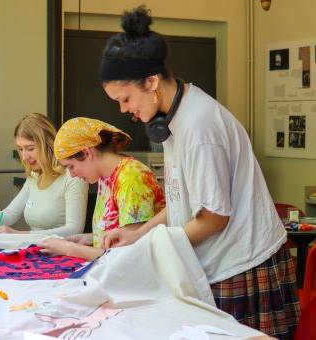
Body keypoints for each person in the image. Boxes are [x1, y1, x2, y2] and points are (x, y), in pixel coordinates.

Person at [99, 6, 299, 337]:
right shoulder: (171, 117)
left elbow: (214, 217)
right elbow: (181, 199)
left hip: (242, 262)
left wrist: (150, 248)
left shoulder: (200, 126)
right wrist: (139, 234)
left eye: (125, 98)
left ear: (151, 82)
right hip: (218, 261)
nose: (124, 110)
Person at [40, 117, 164, 260]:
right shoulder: (105, 177)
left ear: (87, 153)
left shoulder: (131, 177)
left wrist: (70, 249)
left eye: (71, 166)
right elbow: (118, 232)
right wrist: (92, 238)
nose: (72, 175)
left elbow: (127, 255)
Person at [0, 113, 88, 236]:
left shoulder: (74, 177)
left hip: (60, 251)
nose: (24, 157)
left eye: (30, 149)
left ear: (48, 145)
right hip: (34, 249)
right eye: (20, 149)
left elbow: (74, 229)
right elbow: (10, 213)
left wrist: (20, 235)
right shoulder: (34, 176)